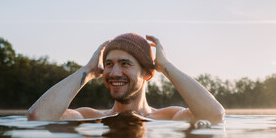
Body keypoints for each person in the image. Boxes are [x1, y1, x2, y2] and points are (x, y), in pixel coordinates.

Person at [27, 33, 225, 124]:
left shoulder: (169, 117)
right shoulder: (91, 117)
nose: (114, 73)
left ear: (147, 73)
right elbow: (38, 116)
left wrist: (166, 67)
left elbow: (214, 114)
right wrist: (87, 70)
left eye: (125, 64)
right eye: (109, 64)